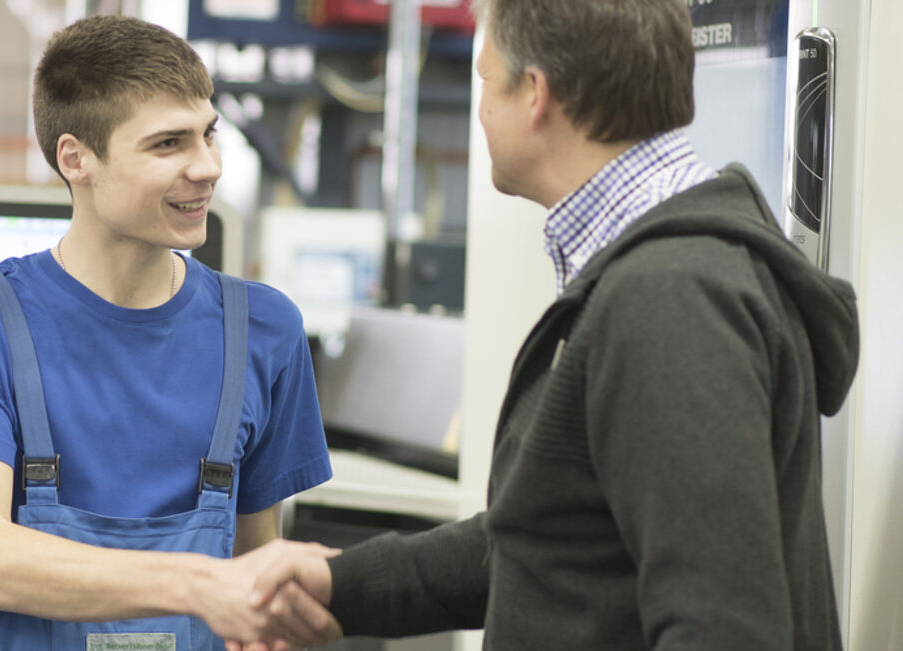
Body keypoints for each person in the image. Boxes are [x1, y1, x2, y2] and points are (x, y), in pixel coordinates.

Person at [240, 0, 861, 649]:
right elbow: (558, 538)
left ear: (534, 94)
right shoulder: (653, 273)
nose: (479, 111)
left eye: (484, 81)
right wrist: (342, 581)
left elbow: (725, 626)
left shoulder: (671, 298)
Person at [0, 14, 342, 650]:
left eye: (209, 135)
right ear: (76, 159)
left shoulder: (263, 331)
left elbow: (257, 575)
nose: (207, 166)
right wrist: (194, 584)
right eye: (168, 144)